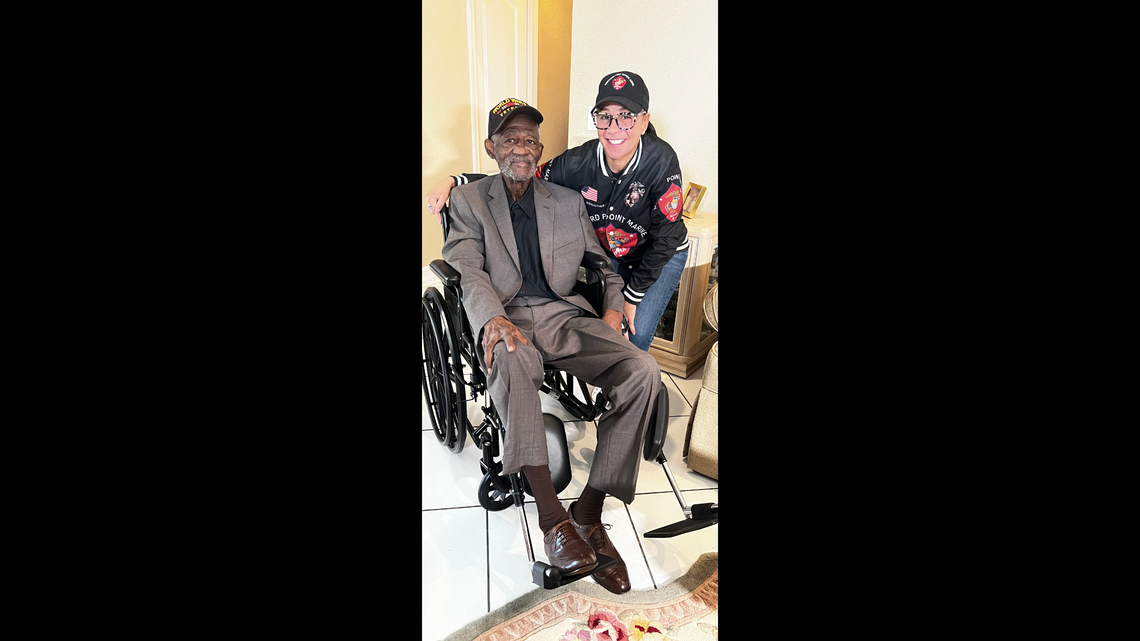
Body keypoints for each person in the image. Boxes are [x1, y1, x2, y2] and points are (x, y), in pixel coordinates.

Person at [441, 98, 661, 595]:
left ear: (540, 150)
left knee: (643, 370)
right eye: (511, 138)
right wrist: (493, 317)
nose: (522, 147)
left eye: (530, 140)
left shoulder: (565, 201)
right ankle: (554, 522)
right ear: (491, 147)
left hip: (564, 314)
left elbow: (604, 265)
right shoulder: (471, 201)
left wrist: (610, 307)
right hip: (508, 316)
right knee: (514, 359)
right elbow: (468, 269)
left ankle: (589, 512)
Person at [427, 72, 689, 352]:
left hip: (659, 253)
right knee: (608, 330)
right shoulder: (577, 162)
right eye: (604, 116)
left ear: (644, 120)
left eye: (626, 116)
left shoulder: (661, 161)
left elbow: (666, 238)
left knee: (633, 339)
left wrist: (630, 297)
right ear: (596, 120)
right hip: (611, 254)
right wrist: (460, 180)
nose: (614, 128)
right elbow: (522, 173)